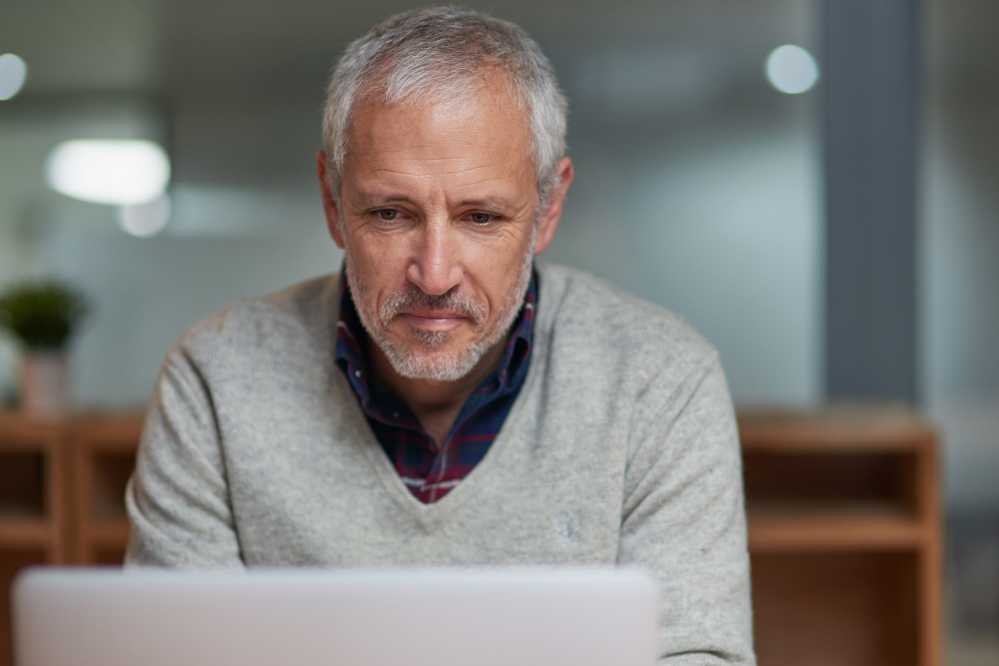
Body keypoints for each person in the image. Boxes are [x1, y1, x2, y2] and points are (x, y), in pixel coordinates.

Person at [125, 6, 754, 664]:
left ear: (548, 210)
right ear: (332, 201)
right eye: (390, 213)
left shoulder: (659, 383)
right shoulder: (216, 380)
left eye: (480, 217)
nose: (433, 274)